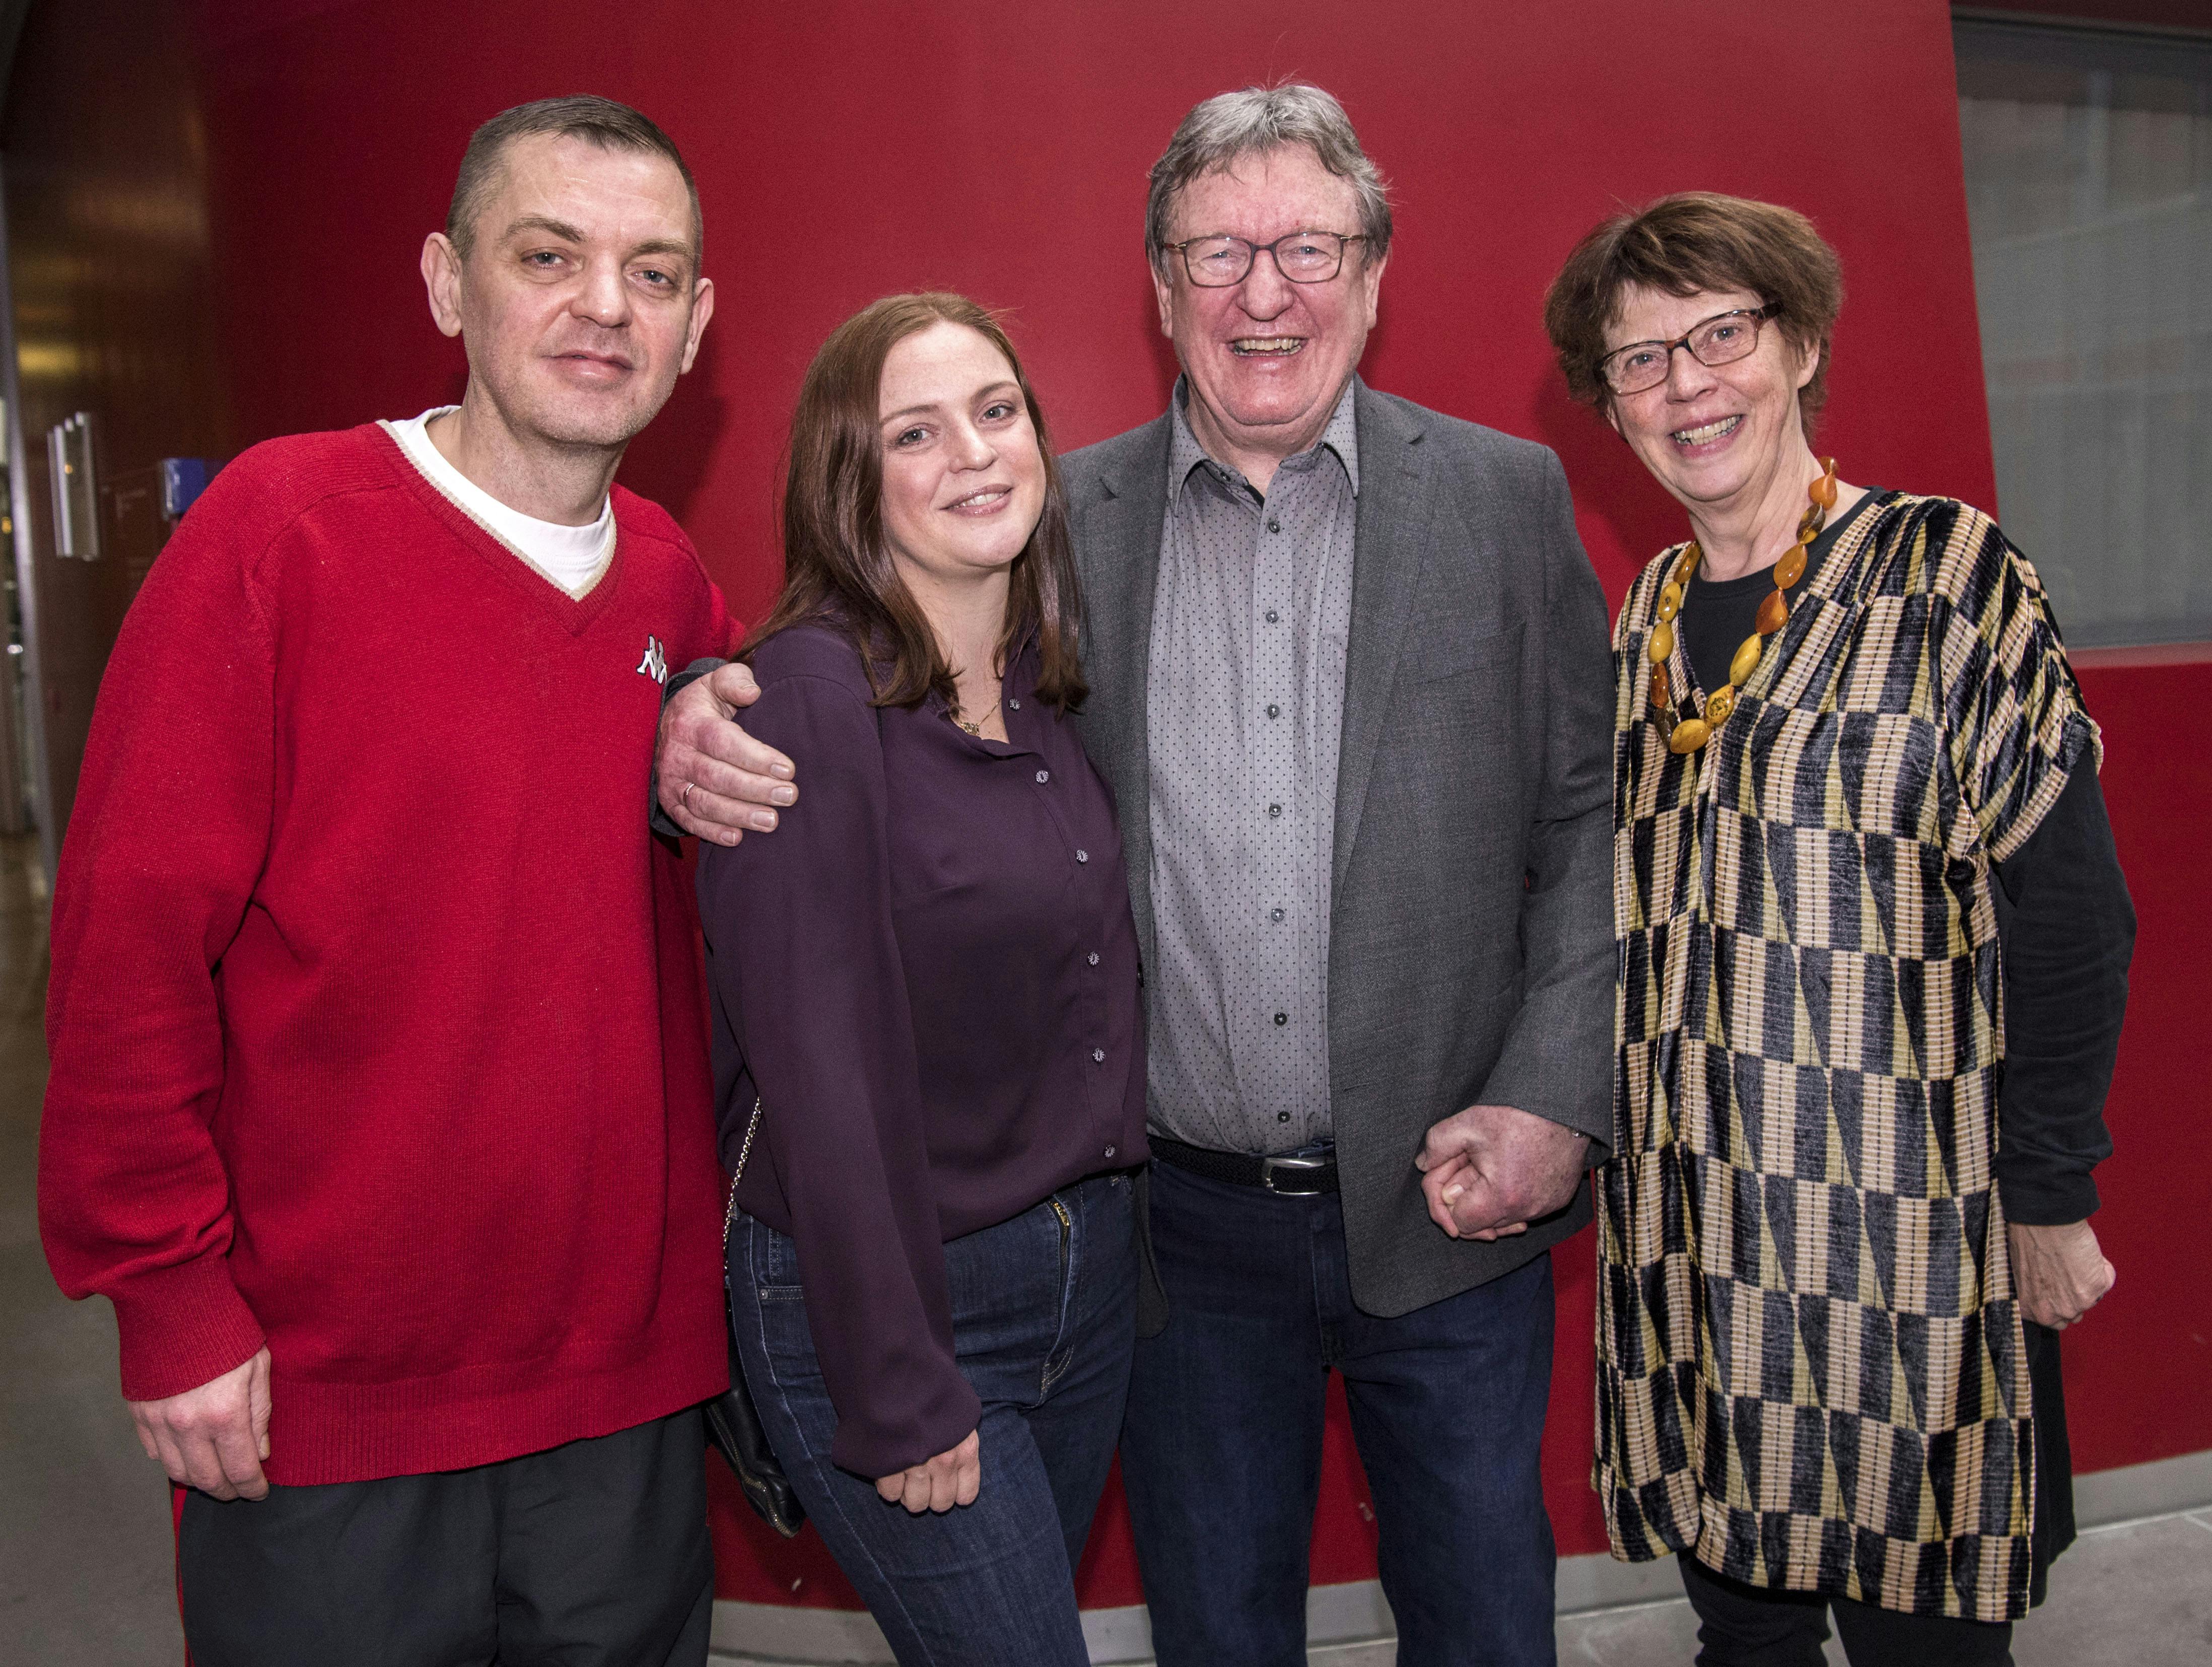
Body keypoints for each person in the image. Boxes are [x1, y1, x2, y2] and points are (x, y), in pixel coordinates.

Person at [661, 85, 1616, 1666]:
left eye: (1307, 246)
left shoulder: (1506, 503)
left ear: (1374, 274)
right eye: (1216, 251)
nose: (1264, 293)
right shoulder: (1055, 522)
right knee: (1216, 1631)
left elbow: (1585, 820)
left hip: (1452, 1208)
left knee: (1488, 1630)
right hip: (1172, 1242)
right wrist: (686, 718)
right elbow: (856, 681)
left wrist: (1554, 1097)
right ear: (1159, 286)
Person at [37, 96, 752, 1666]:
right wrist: (166, 1298)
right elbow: (125, 948)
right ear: (447, 283)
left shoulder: (672, 587)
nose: (601, 309)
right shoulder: (279, 534)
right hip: (321, 1395)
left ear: (697, 324)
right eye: (548, 255)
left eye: (651, 273)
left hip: (617, 1394)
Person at [1542, 192, 2134, 1666]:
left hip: (1904, 1256)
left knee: (1924, 1646)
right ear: (1610, 411)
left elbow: (2075, 919)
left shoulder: (1952, 577)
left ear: (1799, 344)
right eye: (1639, 360)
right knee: (1741, 1641)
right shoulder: (1647, 622)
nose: (1686, 386)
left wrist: (2052, 1194)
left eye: (1720, 335)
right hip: (1699, 1257)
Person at [699, 292, 1147, 1666]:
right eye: (916, 430)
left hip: (1086, 1286)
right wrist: (896, 1385)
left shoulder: (1047, 689)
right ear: (853, 480)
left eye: (997, 412)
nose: (974, 453)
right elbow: (822, 1076)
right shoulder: (807, 705)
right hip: (894, 1304)